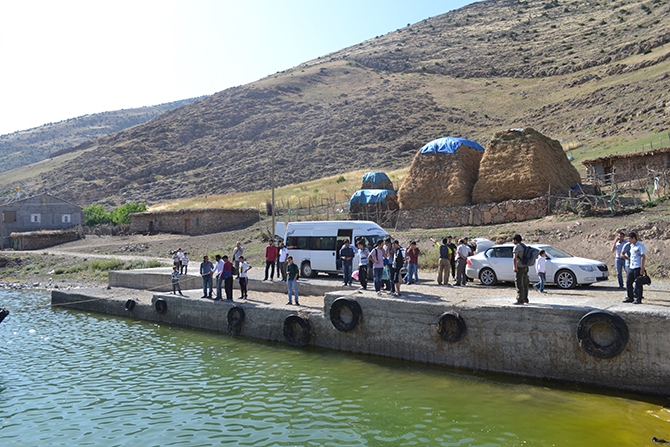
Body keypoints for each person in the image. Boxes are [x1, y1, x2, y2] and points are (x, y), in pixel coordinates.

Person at [622, 231, 646, 304]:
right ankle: (630, 297)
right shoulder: (631, 246)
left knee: (638, 283)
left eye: (630, 239)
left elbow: (643, 257)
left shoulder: (640, 245)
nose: (629, 240)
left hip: (638, 266)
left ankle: (638, 298)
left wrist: (642, 268)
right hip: (631, 266)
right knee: (628, 282)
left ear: (634, 238)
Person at [512, 234, 529, 305]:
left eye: (513, 240)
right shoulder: (524, 246)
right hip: (526, 267)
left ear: (515, 240)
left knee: (519, 283)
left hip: (520, 267)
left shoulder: (517, 247)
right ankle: (525, 298)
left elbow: (515, 258)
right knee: (525, 283)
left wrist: (515, 267)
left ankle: (520, 299)